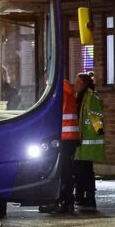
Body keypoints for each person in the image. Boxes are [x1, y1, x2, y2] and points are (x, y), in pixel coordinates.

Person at [39, 77, 81, 214]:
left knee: (61, 172)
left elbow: (53, 113)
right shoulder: (66, 89)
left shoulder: (58, 90)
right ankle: (65, 202)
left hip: (62, 136)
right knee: (66, 171)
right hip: (69, 137)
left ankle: (63, 202)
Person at [74, 71, 105, 213]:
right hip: (81, 142)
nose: (76, 85)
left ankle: (90, 199)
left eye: (79, 82)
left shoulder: (91, 98)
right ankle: (80, 197)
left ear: (86, 84)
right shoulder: (80, 97)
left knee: (86, 172)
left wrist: (98, 132)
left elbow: (96, 118)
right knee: (79, 172)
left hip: (88, 142)